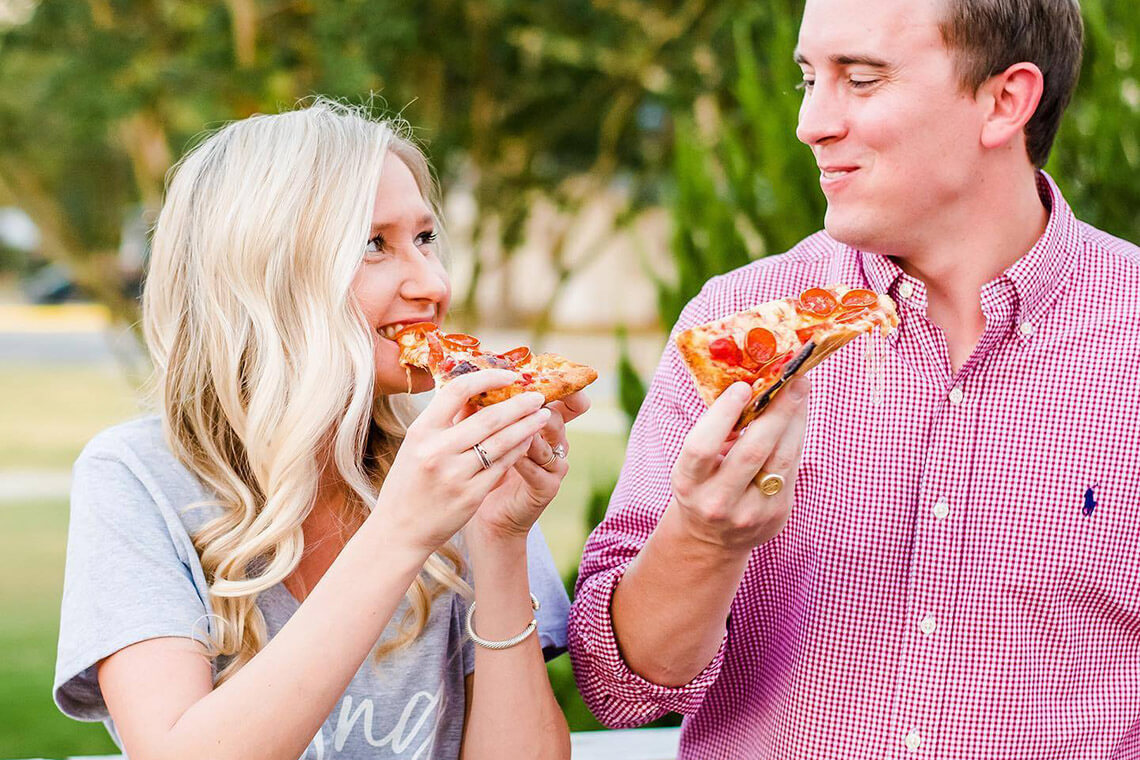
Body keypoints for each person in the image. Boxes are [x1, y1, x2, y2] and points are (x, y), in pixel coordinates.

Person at [569, 0, 1140, 756]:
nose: (810, 124)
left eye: (861, 79)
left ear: (1005, 101)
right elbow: (618, 689)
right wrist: (704, 540)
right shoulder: (736, 328)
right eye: (808, 79)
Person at [53, 99, 581, 760]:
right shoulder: (138, 477)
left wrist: (499, 539)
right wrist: (401, 532)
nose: (434, 284)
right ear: (263, 275)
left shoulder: (454, 460)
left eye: (424, 238)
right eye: (373, 244)